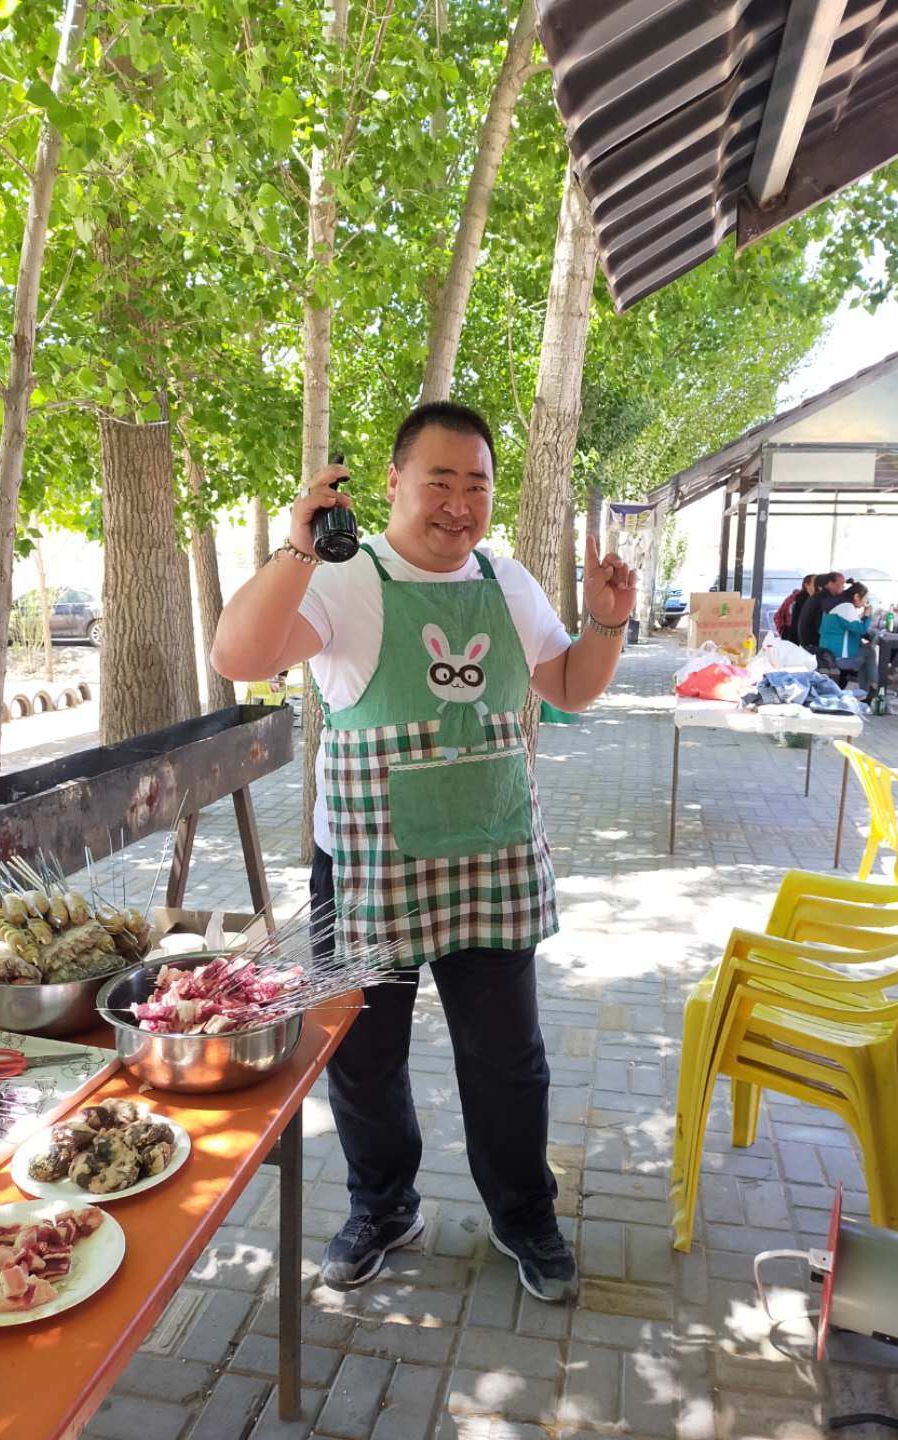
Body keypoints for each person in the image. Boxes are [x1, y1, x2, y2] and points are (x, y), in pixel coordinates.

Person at [210, 401, 637, 1304]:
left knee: (508, 1059)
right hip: (366, 870)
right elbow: (238, 658)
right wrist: (295, 548)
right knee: (363, 1058)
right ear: (395, 482)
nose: (458, 503)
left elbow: (569, 689)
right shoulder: (341, 578)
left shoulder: (508, 582)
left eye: (476, 484)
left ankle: (525, 1215)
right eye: (439, 480)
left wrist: (606, 624)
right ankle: (382, 1206)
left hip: (489, 860)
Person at [819, 582, 876, 692]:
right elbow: (861, 629)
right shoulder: (846, 607)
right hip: (838, 658)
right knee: (870, 652)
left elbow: (850, 629)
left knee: (866, 651)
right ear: (856, 596)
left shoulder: (836, 604)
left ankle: (864, 689)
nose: (865, 602)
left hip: (827, 653)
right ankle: (874, 687)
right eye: (865, 598)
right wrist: (867, 615)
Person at [798, 571, 846, 652]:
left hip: (808, 644)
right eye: (841, 584)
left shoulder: (818, 596)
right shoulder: (826, 600)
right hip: (815, 647)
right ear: (830, 583)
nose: (843, 587)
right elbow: (823, 628)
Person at [778, 574, 815, 644]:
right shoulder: (797, 598)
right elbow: (779, 615)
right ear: (806, 585)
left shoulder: (814, 599)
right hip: (794, 636)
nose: (818, 585)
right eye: (815, 583)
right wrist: (784, 632)